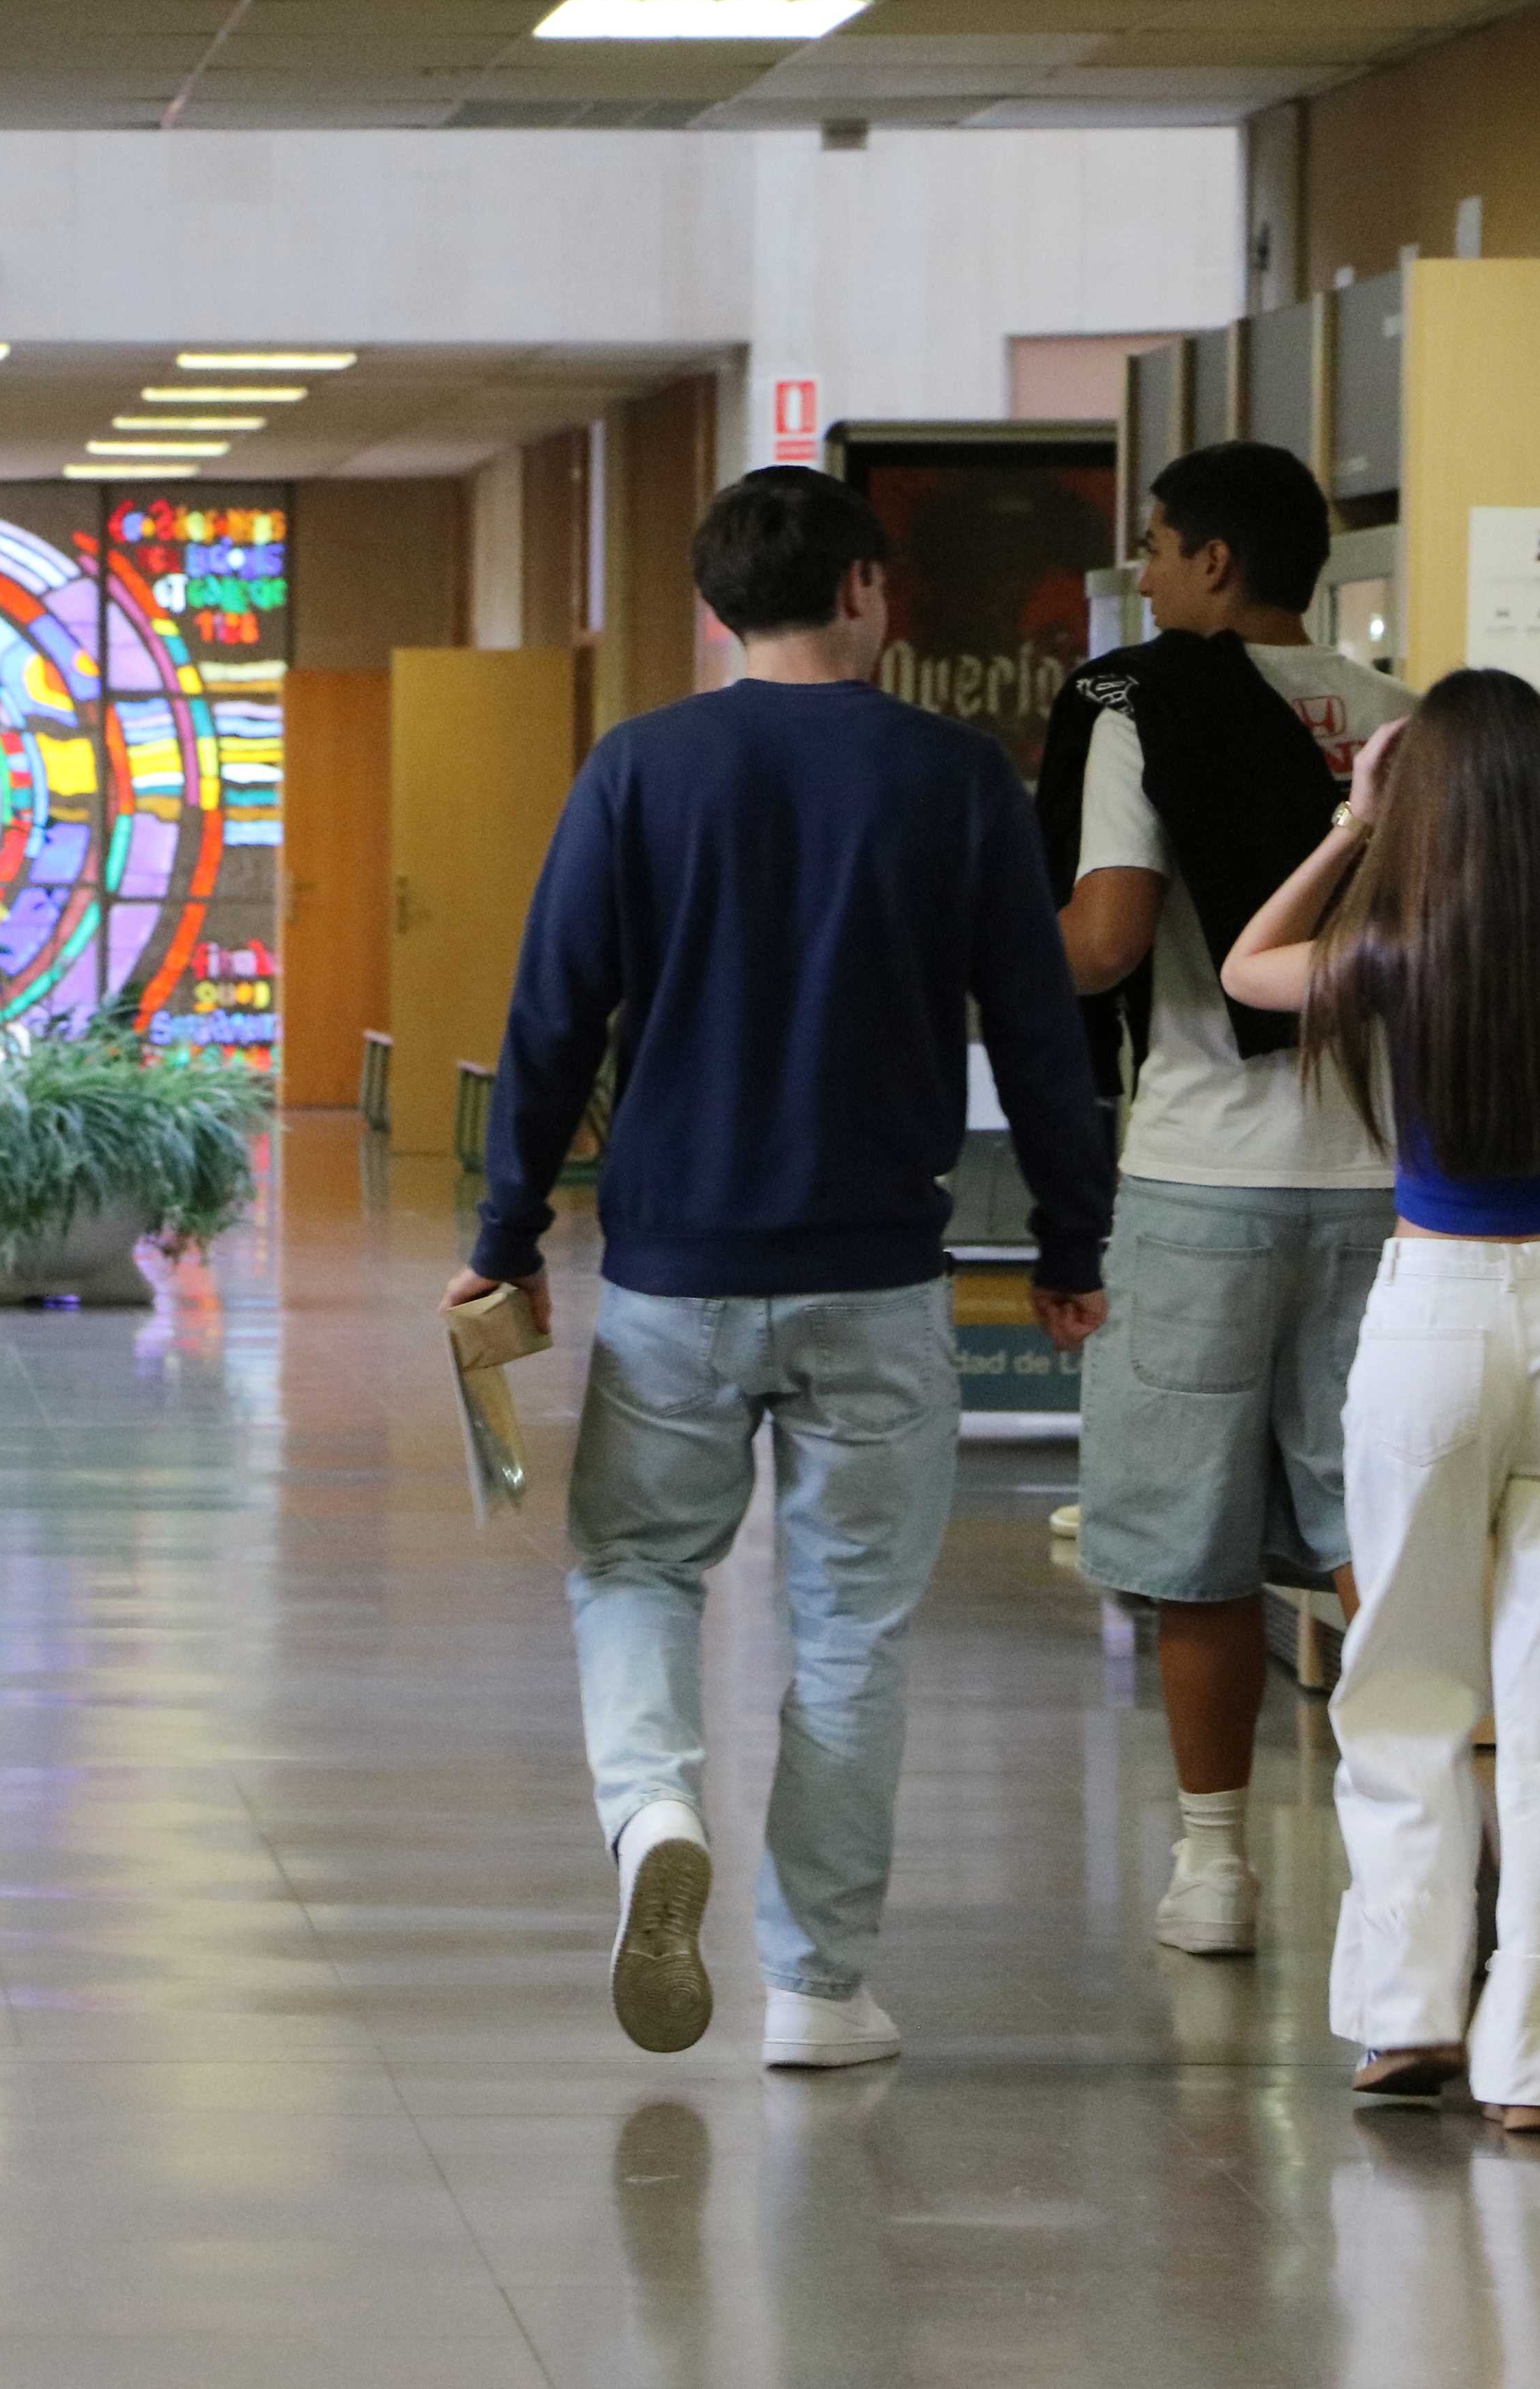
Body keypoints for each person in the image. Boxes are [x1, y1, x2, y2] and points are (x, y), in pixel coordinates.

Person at [447, 467, 1115, 2069]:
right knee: (849, 1629)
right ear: (866, 589)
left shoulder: (638, 768)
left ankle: (653, 1812)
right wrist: (1068, 1242)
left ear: (714, 608)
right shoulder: (956, 777)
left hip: (673, 1271)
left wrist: (504, 1237)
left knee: (633, 1568)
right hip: (875, 1272)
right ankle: (815, 1988)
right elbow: (1040, 1030)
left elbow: (551, 1017)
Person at [1221, 665, 1540, 2136]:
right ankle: (1539, 2068)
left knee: (1405, 1677)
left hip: (1429, 1325)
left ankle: (1406, 2015)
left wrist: (1351, 820)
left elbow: (1250, 966)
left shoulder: (1392, 946)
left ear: (1426, 801)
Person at [1038, 439, 1416, 1959]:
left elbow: (1106, 941)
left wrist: (981, 944)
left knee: (1190, 1541)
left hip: (1200, 1171)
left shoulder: (1135, 703)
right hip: (1387, 1181)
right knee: (1376, 1530)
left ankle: (1213, 1869)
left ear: (1210, 561)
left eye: (1152, 546)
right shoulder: (1404, 721)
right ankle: (1410, 1862)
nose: (1141, 577)